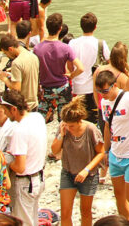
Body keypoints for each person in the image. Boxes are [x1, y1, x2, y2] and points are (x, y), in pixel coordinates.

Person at [51, 96, 104, 226]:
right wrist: (61, 135)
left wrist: (86, 170)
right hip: (68, 172)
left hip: (89, 175)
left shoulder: (91, 129)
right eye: (67, 125)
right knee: (65, 212)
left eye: (72, 126)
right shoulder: (64, 128)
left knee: (85, 212)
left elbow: (101, 152)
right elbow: (54, 150)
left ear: (80, 121)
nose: (69, 128)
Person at [96, 69, 129, 219]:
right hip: (116, 154)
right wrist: (105, 151)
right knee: (119, 196)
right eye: (99, 91)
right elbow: (108, 126)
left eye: (105, 90)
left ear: (114, 85)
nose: (103, 94)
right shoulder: (104, 102)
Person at [1, 89, 47, 226]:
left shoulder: (19, 131)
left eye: (6, 110)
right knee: (32, 220)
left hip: (25, 183)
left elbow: (20, 167)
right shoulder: (37, 117)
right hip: (38, 178)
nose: (5, 114)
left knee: (23, 223)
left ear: (13, 109)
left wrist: (7, 162)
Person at [35, 13, 84, 123]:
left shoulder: (38, 49)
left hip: (46, 88)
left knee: (40, 119)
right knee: (65, 120)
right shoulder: (65, 48)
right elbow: (80, 68)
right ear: (60, 28)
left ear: (47, 28)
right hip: (62, 88)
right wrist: (71, 75)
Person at [69, 12, 111, 124]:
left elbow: (69, 65)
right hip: (93, 90)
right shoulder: (100, 44)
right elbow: (110, 63)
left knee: (77, 120)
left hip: (75, 88)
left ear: (81, 26)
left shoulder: (72, 43)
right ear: (95, 27)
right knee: (92, 122)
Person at [0, 35, 40, 111]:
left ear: (10, 49)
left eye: (6, 53)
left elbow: (16, 89)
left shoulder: (16, 63)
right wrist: (12, 72)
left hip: (23, 106)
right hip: (34, 103)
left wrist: (4, 79)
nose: (8, 56)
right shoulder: (33, 56)